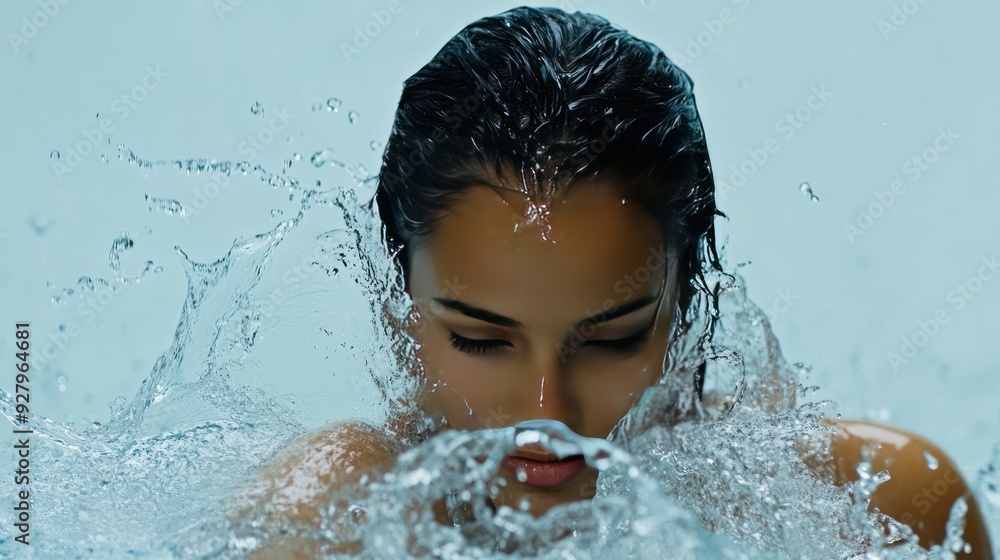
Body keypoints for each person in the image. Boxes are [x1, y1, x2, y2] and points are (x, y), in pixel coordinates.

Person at [234, 7, 993, 558]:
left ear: (691, 306)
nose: (544, 416)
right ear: (397, 309)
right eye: (479, 339)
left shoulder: (875, 511)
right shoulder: (334, 520)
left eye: (613, 339)